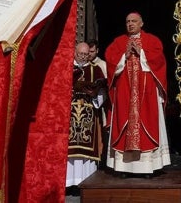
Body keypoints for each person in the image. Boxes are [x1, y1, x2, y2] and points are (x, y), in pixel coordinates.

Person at [105, 11, 170, 175]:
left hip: (146, 92)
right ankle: (123, 167)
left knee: (147, 122)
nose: (130, 24)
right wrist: (123, 57)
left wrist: (142, 53)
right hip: (125, 92)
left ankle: (148, 167)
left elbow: (160, 62)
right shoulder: (119, 42)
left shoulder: (152, 40)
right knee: (123, 124)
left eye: (134, 21)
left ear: (141, 23)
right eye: (127, 21)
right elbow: (110, 60)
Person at [66, 42, 107, 190]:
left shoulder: (95, 69)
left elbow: (103, 91)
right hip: (69, 114)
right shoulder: (66, 67)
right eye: (80, 54)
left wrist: (95, 94)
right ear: (74, 53)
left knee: (86, 151)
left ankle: (84, 183)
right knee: (69, 150)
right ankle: (69, 182)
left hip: (88, 114)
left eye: (85, 54)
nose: (83, 57)